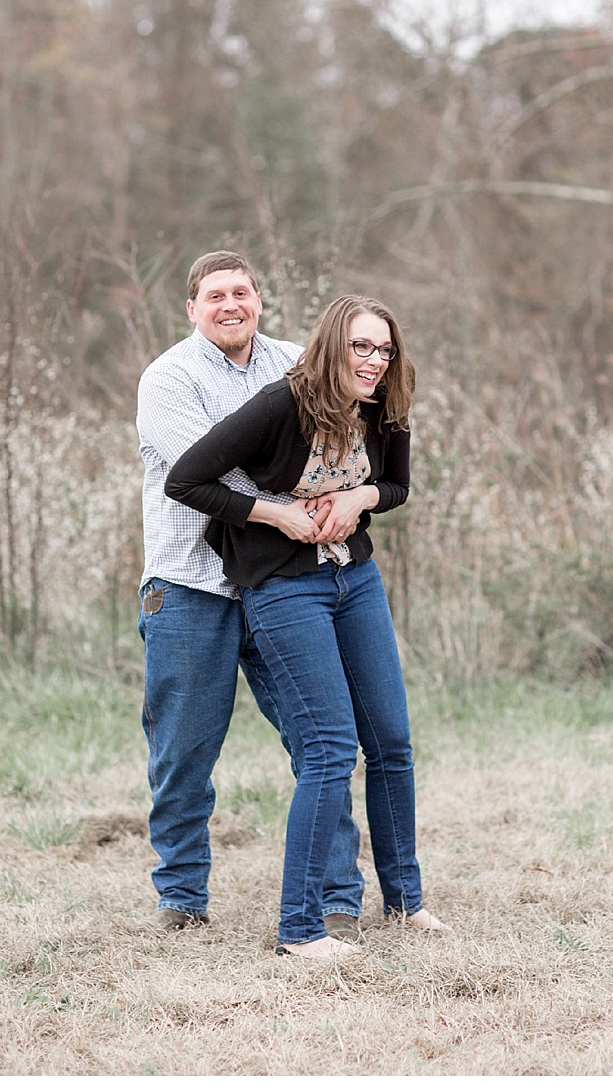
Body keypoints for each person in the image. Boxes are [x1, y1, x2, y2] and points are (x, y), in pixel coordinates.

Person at [164, 294, 446, 959]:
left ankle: (405, 902)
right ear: (332, 345)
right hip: (285, 586)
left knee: (392, 742)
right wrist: (278, 515)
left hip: (355, 578)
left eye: (385, 350)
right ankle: (299, 929)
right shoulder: (281, 404)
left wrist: (359, 495)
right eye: (361, 346)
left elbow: (397, 486)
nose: (375, 361)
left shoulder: (385, 404)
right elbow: (187, 479)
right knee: (328, 748)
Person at [135, 252, 366, 940]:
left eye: (241, 291)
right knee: (183, 752)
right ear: (192, 308)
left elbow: (344, 444)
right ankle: (182, 896)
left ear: (259, 299)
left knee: (321, 742)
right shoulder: (168, 378)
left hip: (284, 584)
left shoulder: (297, 363)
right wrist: (293, 504)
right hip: (190, 587)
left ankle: (337, 896)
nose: (230, 305)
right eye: (215, 295)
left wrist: (344, 494)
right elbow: (209, 472)